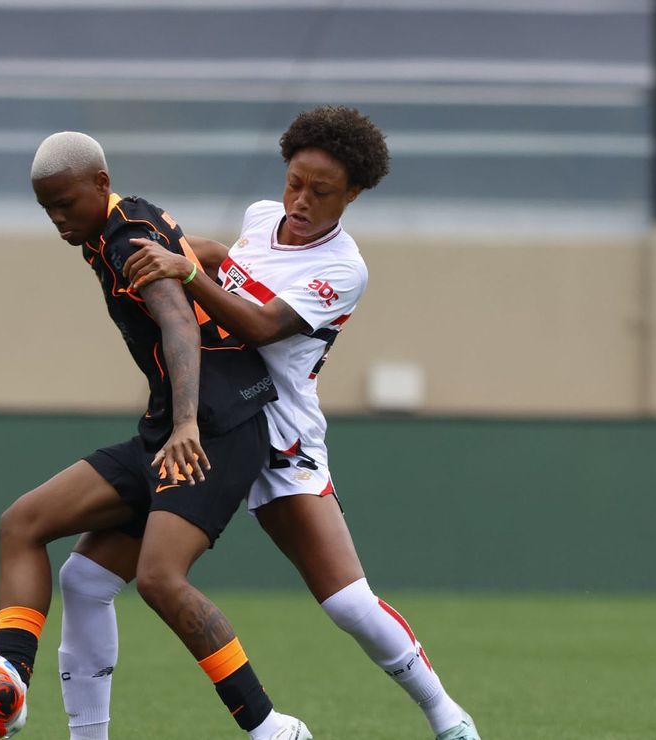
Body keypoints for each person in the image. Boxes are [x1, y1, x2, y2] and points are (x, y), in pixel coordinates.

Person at [56, 107, 483, 740]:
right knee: (87, 578)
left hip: (281, 437)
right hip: (217, 424)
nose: (301, 200)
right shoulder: (262, 218)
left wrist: (186, 271)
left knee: (348, 603)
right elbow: (225, 262)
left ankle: (448, 717)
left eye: (322, 191)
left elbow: (259, 325)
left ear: (353, 194)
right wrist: (180, 252)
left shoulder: (343, 268)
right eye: (294, 182)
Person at [0, 132, 311, 740]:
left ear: (101, 184)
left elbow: (179, 323)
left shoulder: (126, 238)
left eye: (65, 203)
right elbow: (193, 255)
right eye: (47, 208)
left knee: (159, 579)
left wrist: (186, 423)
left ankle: (272, 729)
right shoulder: (120, 224)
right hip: (168, 429)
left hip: (216, 430)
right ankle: (9, 681)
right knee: (30, 531)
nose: (57, 218)